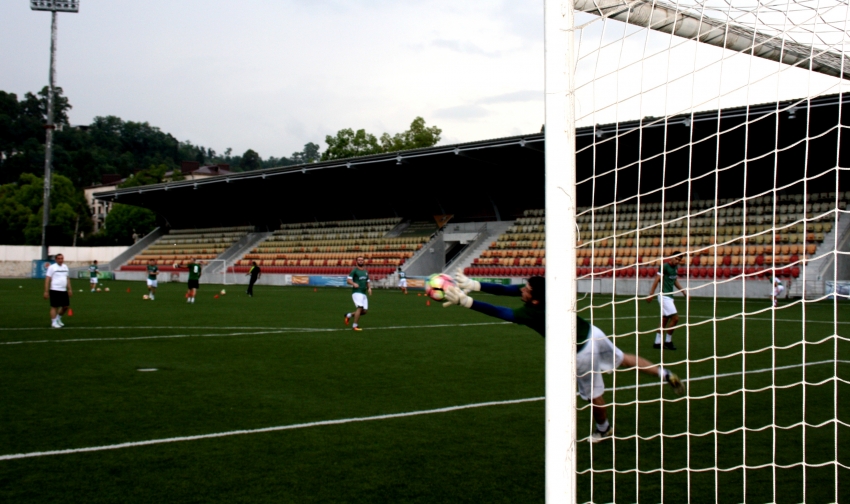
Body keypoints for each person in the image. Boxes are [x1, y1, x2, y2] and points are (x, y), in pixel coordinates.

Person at [442, 270, 684, 442]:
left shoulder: (533, 313)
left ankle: (603, 429)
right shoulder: (546, 292)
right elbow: (507, 289)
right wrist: (475, 285)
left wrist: (467, 301)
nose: (522, 290)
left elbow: (501, 311)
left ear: (534, 299)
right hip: (593, 333)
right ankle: (664, 373)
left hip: (580, 352)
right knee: (623, 359)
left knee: (594, 395)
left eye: (526, 290)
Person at [646, 252, 687, 350]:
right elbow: (657, 280)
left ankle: (657, 343)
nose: (677, 261)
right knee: (675, 318)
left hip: (670, 296)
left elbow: (675, 280)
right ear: (672, 258)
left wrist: (683, 291)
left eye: (679, 260)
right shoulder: (664, 266)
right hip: (664, 296)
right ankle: (668, 341)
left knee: (665, 320)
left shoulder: (675, 268)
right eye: (676, 259)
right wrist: (651, 294)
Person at [44, 254, 73, 329]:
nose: (60, 260)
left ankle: (57, 319)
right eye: (59, 258)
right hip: (55, 289)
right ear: (56, 259)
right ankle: (53, 322)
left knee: (66, 306)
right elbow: (47, 279)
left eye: (62, 258)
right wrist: (46, 291)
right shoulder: (52, 267)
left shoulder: (65, 267)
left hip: (63, 290)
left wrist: (69, 289)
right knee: (54, 307)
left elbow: (67, 278)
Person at [344, 256, 371, 331]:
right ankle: (355, 326)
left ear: (363, 261)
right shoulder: (354, 271)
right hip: (356, 292)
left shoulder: (365, 272)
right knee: (360, 308)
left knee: (364, 311)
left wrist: (369, 288)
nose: (360, 261)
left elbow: (367, 281)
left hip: (363, 293)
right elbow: (348, 280)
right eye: (359, 260)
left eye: (362, 260)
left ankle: (349, 315)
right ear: (356, 262)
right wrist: (353, 284)